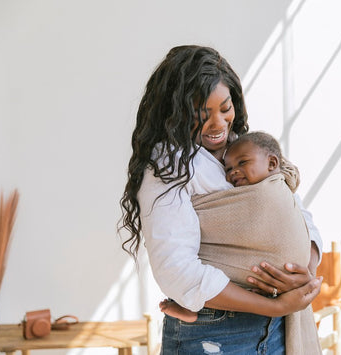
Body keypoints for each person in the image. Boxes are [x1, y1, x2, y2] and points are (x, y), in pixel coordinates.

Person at [119, 45, 323, 354]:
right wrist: (274, 305)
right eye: (202, 114)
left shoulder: (245, 150)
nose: (218, 124)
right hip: (218, 332)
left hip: (279, 326)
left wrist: (303, 272)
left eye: (225, 108)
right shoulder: (168, 166)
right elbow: (177, 270)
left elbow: (297, 213)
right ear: (175, 113)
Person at [159, 130, 304, 321]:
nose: (233, 171)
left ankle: (188, 304)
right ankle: (190, 305)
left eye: (242, 163)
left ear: (272, 164)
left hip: (282, 280)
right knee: (195, 259)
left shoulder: (277, 188)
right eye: (228, 169)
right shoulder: (242, 195)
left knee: (202, 259)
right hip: (262, 286)